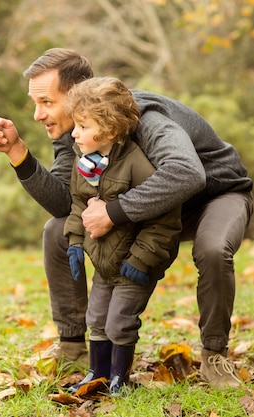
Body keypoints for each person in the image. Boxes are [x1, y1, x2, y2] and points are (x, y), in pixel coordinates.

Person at [0, 48, 253, 389]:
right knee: (57, 230)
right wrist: (17, 152)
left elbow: (188, 174)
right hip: (146, 211)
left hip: (213, 197)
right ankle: (74, 349)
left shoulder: (145, 116)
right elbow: (64, 205)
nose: (37, 114)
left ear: (76, 96)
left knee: (213, 246)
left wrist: (113, 213)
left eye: (46, 102)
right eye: (35, 103)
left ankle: (214, 356)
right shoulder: (75, 134)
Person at [63, 76, 181, 395]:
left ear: (110, 130)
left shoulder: (136, 164)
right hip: (103, 262)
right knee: (97, 319)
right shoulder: (83, 162)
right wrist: (75, 241)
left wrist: (141, 259)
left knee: (119, 322)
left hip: (133, 264)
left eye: (83, 126)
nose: (74, 133)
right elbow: (78, 204)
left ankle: (120, 379)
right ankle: (97, 373)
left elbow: (165, 217)